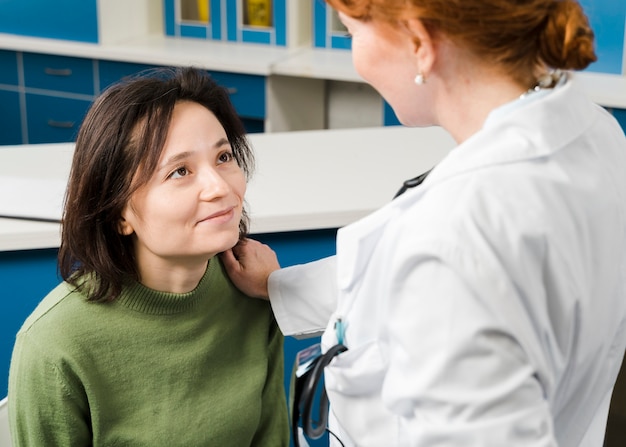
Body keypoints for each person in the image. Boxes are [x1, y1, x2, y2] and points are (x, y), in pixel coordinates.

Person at [221, 0, 626, 445]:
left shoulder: (455, 236)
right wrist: (281, 284)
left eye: (351, 31)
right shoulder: (598, 132)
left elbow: (452, 273)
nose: (356, 60)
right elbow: (422, 281)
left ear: (419, 41)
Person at [8, 67, 289, 446]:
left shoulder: (255, 293)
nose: (220, 187)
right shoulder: (54, 346)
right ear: (119, 212)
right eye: (180, 171)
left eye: (223, 157)